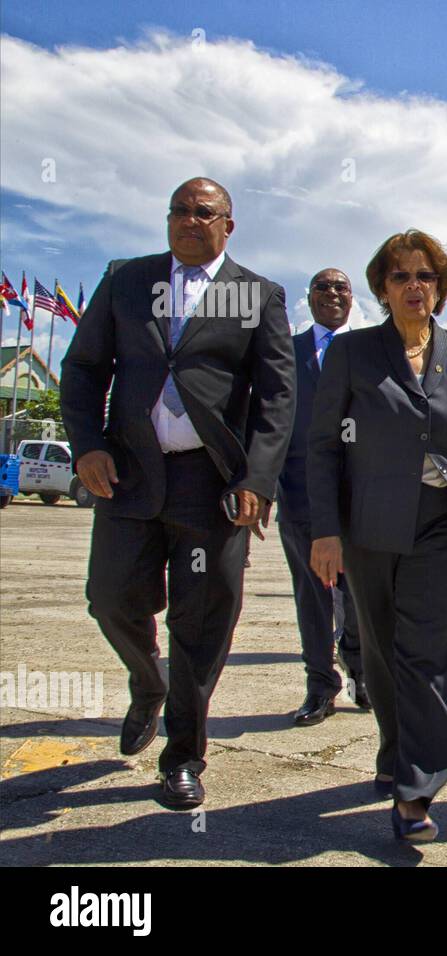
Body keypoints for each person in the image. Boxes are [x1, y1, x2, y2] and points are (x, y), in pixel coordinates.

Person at [61, 177, 294, 809]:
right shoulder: (126, 280)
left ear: (228, 224)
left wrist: (258, 479)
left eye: (203, 212)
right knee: (110, 599)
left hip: (211, 486)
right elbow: (83, 369)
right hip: (128, 475)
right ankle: (148, 679)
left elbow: (277, 398)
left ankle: (183, 757)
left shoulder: (258, 295)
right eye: (179, 211)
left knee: (203, 624)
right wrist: (87, 445)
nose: (189, 221)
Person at [308, 230, 447, 842]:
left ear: (440, 287)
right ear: (383, 289)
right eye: (401, 276)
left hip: (444, 524)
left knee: (426, 651)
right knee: (382, 653)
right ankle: (396, 749)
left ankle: (418, 788)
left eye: (427, 276)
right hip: (369, 527)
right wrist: (326, 532)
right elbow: (323, 446)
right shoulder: (354, 353)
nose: (415, 286)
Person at [277, 268, 366, 726]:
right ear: (308, 298)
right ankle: (319, 684)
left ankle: (357, 663)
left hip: (360, 500)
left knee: (358, 595)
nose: (331, 293)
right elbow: (267, 420)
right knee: (312, 596)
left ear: (353, 298)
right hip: (299, 497)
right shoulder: (285, 353)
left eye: (340, 287)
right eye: (322, 287)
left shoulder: (369, 350)